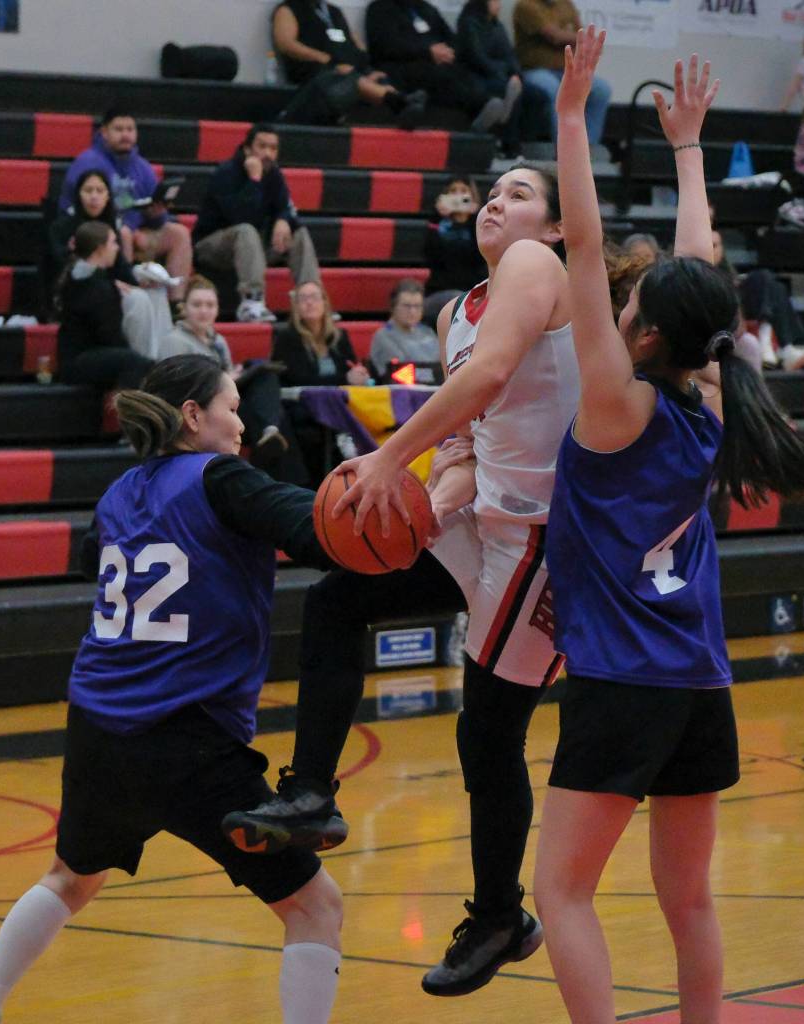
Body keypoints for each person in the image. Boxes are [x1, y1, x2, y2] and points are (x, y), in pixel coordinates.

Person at [533, 32, 804, 1024]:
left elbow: (583, 247)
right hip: (697, 682)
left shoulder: (612, 405)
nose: (617, 295)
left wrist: (570, 119)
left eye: (628, 301)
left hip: (620, 684)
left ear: (641, 333)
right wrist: (684, 148)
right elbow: (695, 267)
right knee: (689, 901)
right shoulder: (711, 399)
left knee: (560, 892)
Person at [222, 159, 579, 999]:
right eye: (493, 191)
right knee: (340, 593)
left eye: (521, 194)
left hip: (544, 541)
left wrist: (387, 460)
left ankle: (500, 914)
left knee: (486, 733)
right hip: (485, 518)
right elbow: (465, 442)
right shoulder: (458, 311)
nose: (498, 200)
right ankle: (311, 794)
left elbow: (491, 381)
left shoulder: (538, 267)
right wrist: (419, 505)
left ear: (558, 227)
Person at [0, 355, 344, 1024]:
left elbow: (100, 561)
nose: (241, 424)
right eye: (231, 408)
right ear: (194, 416)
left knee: (70, 877)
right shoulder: (221, 477)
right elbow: (321, 528)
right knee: (315, 907)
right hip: (186, 736)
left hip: (98, 727)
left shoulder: (118, 493)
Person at [159, 276, 310, 484]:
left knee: (266, 380)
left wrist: (233, 376)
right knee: (269, 410)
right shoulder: (174, 341)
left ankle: (270, 441)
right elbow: (175, 390)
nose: (204, 310)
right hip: (199, 413)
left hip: (225, 407)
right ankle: (285, 480)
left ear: (218, 308)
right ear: (184, 308)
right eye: (197, 305)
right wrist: (226, 379)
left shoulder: (218, 340)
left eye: (210, 305)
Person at [58, 106, 191, 300]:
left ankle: (176, 304)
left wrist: (156, 214)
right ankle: (126, 296)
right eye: (119, 129)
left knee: (179, 233)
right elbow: (76, 210)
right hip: (103, 231)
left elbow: (156, 220)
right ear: (104, 132)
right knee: (124, 233)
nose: (125, 135)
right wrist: (130, 229)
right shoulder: (87, 163)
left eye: (130, 129)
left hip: (137, 232)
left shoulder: (143, 167)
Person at [193, 123, 321, 323]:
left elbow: (286, 206)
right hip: (211, 246)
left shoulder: (274, 175)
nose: (268, 154)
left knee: (299, 234)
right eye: (262, 146)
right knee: (246, 230)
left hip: (251, 247)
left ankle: (310, 297)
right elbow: (239, 216)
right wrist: (254, 181)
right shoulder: (225, 173)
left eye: (273, 148)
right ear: (247, 149)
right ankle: (251, 302)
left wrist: (283, 219)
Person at [272, 0, 427, 128]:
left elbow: (355, 42)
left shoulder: (334, 12)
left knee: (378, 76)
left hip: (348, 70)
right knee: (347, 78)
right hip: (316, 76)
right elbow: (286, 43)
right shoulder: (288, 9)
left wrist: (365, 67)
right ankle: (400, 102)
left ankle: (404, 107)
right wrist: (327, 60)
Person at [273, 280, 369, 484]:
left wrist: (358, 376)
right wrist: (345, 379)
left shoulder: (340, 337)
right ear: (295, 306)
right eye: (303, 298)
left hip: (339, 404)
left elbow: (351, 368)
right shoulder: (286, 338)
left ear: (325, 302)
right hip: (302, 407)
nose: (309, 303)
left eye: (314, 297)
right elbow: (299, 378)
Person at [365, 0, 510, 134]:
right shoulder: (380, 8)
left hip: (437, 62)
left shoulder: (426, 9)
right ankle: (483, 110)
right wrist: (427, 52)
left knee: (462, 70)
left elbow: (451, 39)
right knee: (439, 75)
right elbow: (386, 46)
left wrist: (449, 52)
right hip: (400, 65)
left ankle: (488, 109)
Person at [56, 221, 167, 389]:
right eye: (113, 243)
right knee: (136, 363)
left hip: (77, 357)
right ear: (100, 249)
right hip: (79, 361)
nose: (116, 248)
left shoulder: (78, 278)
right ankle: (126, 412)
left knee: (137, 361)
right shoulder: (98, 288)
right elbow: (109, 335)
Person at [513, 0, 611, 148]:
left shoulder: (566, 4)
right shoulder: (527, 6)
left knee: (601, 89)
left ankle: (587, 148)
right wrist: (575, 37)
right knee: (554, 88)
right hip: (534, 70)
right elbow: (554, 36)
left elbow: (581, 33)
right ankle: (565, 148)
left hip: (566, 70)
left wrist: (579, 39)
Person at [712, 229, 804, 370]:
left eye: (716, 246)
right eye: (710, 245)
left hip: (739, 305)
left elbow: (734, 282)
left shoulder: (725, 268)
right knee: (770, 282)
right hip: (721, 311)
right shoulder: (694, 268)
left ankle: (775, 345)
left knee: (770, 282)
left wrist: (738, 283)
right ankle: (781, 348)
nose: (713, 250)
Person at [456, 0, 524, 156]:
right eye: (494, 1)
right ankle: (507, 140)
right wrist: (502, 73)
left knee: (515, 88)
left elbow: (509, 54)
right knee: (504, 89)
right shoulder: (468, 24)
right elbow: (476, 57)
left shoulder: (496, 26)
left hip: (498, 74)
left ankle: (506, 136)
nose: (498, 5)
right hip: (475, 76)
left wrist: (515, 74)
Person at [424, 177, 488, 325]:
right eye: (453, 191)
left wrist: (474, 218)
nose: (458, 196)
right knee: (457, 299)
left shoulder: (478, 225)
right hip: (441, 293)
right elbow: (430, 256)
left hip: (472, 293)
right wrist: (437, 217)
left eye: (463, 191)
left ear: (473, 196)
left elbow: (479, 257)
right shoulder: (438, 224)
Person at [48, 169, 135, 279]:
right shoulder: (61, 227)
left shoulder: (112, 226)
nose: (94, 196)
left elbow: (120, 267)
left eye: (100, 190)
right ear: (78, 195)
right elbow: (54, 266)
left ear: (108, 196)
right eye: (88, 190)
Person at [369, 277, 441, 376]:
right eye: (406, 306)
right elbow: (400, 372)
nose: (412, 311)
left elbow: (441, 365)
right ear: (393, 307)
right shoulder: (383, 336)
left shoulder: (428, 332)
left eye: (417, 306)